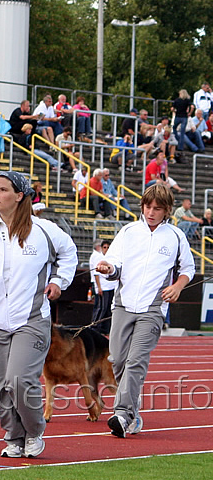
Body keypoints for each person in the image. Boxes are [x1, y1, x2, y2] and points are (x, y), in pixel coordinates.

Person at [0, 171, 77, 459]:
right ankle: (13, 435)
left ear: (19, 196)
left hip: (30, 319)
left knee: (19, 380)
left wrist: (58, 281)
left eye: (3, 189)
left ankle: (34, 430)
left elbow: (69, 253)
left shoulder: (44, 230)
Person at [95, 183, 195, 438]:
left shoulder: (175, 236)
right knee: (117, 358)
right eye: (148, 207)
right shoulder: (128, 231)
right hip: (123, 305)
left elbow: (188, 269)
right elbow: (115, 263)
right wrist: (108, 269)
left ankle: (121, 413)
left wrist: (178, 286)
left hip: (153, 308)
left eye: (157, 209)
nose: (151, 212)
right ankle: (133, 412)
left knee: (136, 361)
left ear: (167, 211)